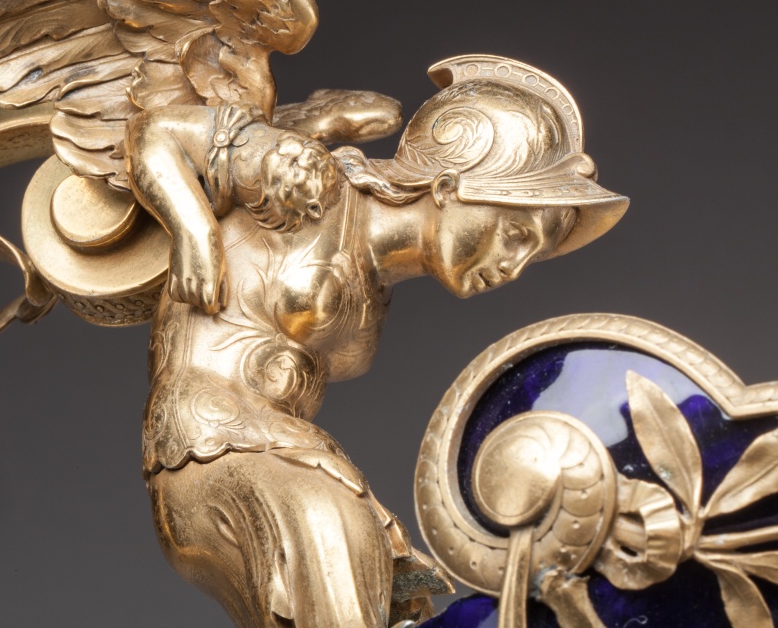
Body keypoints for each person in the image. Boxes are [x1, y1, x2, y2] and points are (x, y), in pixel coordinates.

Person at [123, 73, 628, 627]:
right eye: (515, 234)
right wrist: (193, 229)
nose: (515, 267)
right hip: (208, 441)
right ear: (448, 187)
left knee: (386, 594)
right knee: (326, 521)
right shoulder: (315, 182)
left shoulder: (377, 289)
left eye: (533, 254)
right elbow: (154, 132)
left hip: (287, 447)